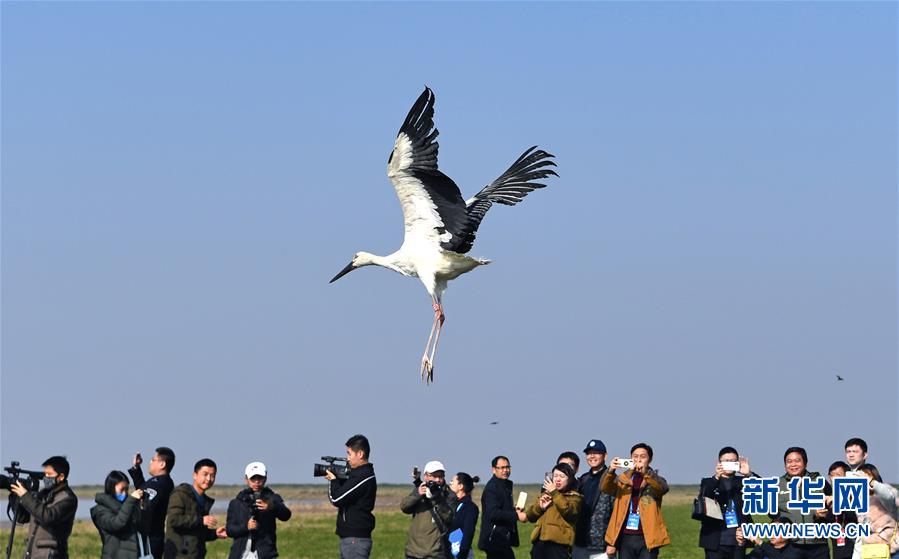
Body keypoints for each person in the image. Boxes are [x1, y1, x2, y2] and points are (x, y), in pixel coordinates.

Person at [602, 443, 671, 559]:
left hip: (647, 538)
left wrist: (646, 474)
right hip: (625, 537)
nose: (638, 459)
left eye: (642, 457)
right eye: (635, 456)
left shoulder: (655, 480)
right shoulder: (623, 479)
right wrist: (610, 471)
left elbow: (663, 488)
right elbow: (605, 487)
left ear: (650, 460)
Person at [10, 456, 78, 559]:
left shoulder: (68, 499)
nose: (45, 477)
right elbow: (22, 518)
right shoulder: (43, 495)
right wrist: (14, 496)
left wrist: (25, 495)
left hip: (52, 555)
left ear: (61, 477)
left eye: (49, 475)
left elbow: (47, 516)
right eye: (44, 474)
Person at [696, 447, 755, 559]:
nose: (729, 464)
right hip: (715, 540)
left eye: (733, 461)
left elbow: (764, 491)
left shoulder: (744, 481)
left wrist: (748, 475)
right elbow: (705, 495)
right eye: (726, 461)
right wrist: (716, 477)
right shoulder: (709, 481)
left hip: (739, 539)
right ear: (719, 463)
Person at [326, 434, 378, 559]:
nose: (347, 458)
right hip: (352, 540)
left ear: (360, 454)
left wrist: (333, 480)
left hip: (355, 541)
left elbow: (336, 499)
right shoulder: (357, 475)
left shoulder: (363, 477)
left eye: (349, 454)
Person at [225, 462, 292, 559]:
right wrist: (246, 527)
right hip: (240, 554)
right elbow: (229, 530)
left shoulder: (273, 498)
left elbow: (286, 515)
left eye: (260, 478)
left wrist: (271, 507)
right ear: (246, 480)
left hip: (265, 553)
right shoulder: (236, 502)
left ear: (265, 479)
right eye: (253, 479)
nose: (256, 482)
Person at [164, 458, 227, 558]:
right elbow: (173, 520)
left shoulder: (204, 500)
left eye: (213, 476)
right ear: (195, 475)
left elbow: (197, 531)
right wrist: (201, 520)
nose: (209, 479)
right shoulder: (180, 494)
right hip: (178, 555)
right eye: (205, 474)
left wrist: (215, 533)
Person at [518, 462, 583, 559]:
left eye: (562, 476)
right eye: (555, 475)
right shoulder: (546, 494)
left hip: (559, 547)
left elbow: (569, 512)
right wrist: (541, 507)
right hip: (539, 544)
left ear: (569, 479)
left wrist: (554, 493)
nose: (558, 479)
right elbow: (531, 516)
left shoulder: (575, 497)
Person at [775, 447, 829, 559]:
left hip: (818, 545)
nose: (793, 464)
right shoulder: (778, 484)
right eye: (789, 461)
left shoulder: (819, 481)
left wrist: (825, 514)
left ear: (805, 463)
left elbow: (835, 506)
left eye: (797, 460)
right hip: (791, 545)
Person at [401, 460, 454, 559]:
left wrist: (436, 498)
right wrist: (418, 494)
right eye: (434, 476)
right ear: (426, 476)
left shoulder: (449, 494)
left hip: (435, 552)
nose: (438, 480)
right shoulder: (420, 490)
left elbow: (449, 517)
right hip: (413, 551)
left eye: (441, 476)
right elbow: (404, 507)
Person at [129, 447, 176, 559]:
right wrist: (136, 468)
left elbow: (145, 504)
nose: (150, 462)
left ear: (162, 464)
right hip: (151, 538)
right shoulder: (158, 481)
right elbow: (143, 489)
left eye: (153, 460)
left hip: (150, 540)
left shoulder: (161, 483)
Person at [573, 439, 614, 559]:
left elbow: (617, 514)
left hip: (601, 544)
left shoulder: (613, 480)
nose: (592, 456)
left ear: (605, 456)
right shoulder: (583, 480)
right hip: (580, 542)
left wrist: (613, 542)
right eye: (589, 453)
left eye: (596, 453)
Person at [91, 470, 145, 559]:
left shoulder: (128, 506)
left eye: (127, 489)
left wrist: (140, 508)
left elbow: (142, 527)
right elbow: (117, 524)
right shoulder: (100, 510)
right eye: (122, 489)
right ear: (111, 488)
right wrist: (131, 500)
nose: (125, 493)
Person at [852, 464, 898, 559]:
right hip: (870, 551)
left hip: (891, 550)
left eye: (866, 476)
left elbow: (888, 496)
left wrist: (871, 482)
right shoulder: (860, 501)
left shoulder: (887, 491)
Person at [478, 456, 520, 559]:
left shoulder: (505, 485)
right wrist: (516, 515)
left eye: (507, 467)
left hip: (502, 539)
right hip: (494, 539)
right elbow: (493, 513)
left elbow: (503, 509)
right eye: (501, 468)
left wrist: (515, 510)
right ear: (493, 470)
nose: (505, 470)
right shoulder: (492, 488)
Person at [446, 472, 480, 559]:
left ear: (461, 486)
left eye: (452, 481)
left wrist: (462, 555)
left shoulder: (470, 507)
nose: (450, 483)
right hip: (451, 552)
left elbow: (468, 534)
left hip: (461, 554)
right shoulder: (456, 504)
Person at [826, 461, 854, 559]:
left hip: (855, 547)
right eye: (831, 475)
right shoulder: (827, 497)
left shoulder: (855, 495)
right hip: (835, 548)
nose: (834, 478)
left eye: (838, 475)